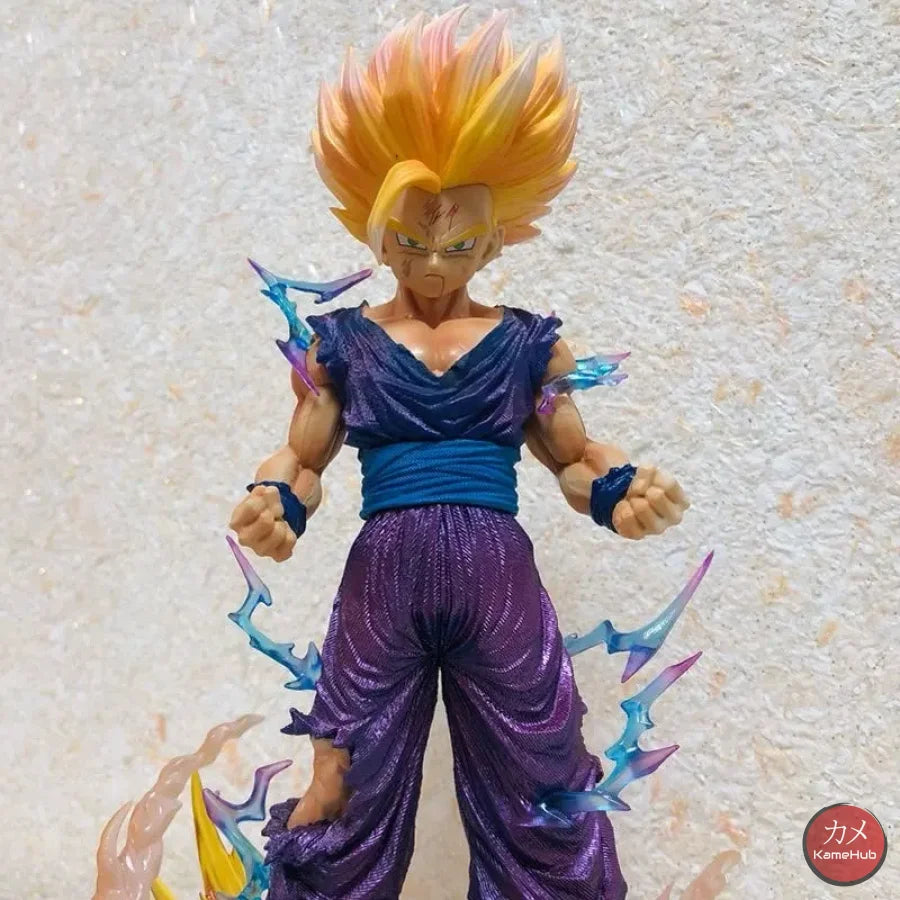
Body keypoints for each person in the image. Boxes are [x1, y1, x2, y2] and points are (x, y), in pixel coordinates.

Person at [229, 9, 689, 898]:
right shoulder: (340, 345)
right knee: (339, 778)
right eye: (411, 240)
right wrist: (272, 503)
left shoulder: (527, 344)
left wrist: (623, 490)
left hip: (496, 579)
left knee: (544, 780)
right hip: (384, 579)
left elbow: (573, 456)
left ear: (498, 235)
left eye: (459, 242)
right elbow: (302, 461)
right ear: (374, 230)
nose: (435, 261)